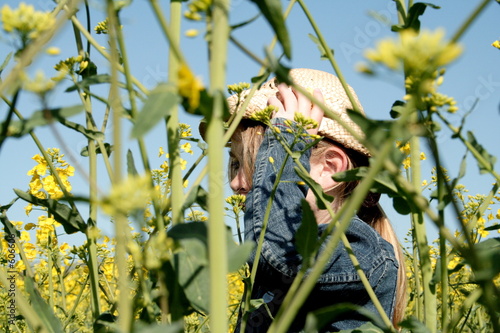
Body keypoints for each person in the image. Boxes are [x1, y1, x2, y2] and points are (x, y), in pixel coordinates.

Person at [226, 68, 406, 332]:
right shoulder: (270, 256)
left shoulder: (361, 251)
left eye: (264, 159)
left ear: (330, 168)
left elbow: (282, 260)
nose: (235, 183)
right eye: (234, 163)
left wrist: (285, 136)